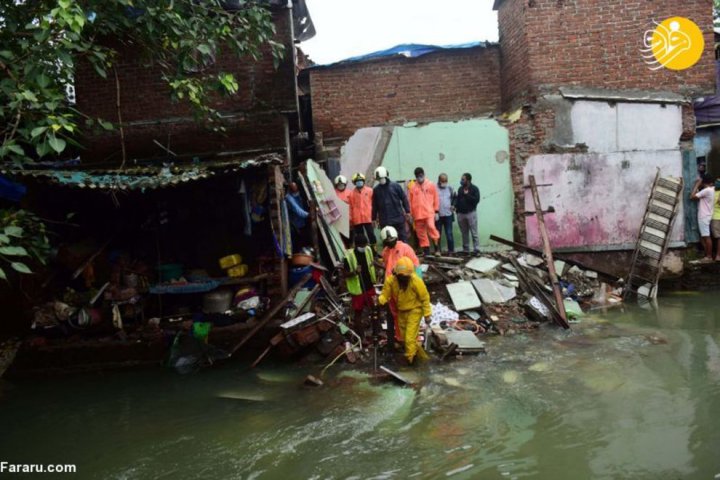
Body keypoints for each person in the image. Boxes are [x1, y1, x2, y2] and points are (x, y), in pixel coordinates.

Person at [377, 256, 431, 365]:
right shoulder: (391, 281)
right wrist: (379, 301)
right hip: (401, 311)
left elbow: (424, 298)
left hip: (415, 310)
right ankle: (421, 358)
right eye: (404, 276)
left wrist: (427, 314)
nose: (406, 278)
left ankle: (410, 362)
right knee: (404, 339)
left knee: (410, 338)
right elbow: (385, 294)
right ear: (397, 274)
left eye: (408, 276)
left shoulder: (416, 281)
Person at [380, 226, 420, 343]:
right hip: (392, 289)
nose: (390, 243)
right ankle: (400, 338)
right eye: (387, 242)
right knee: (396, 315)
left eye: (392, 241)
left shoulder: (405, 248)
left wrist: (416, 284)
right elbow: (386, 268)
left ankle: (412, 340)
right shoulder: (385, 252)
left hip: (406, 287)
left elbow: (416, 266)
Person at [343, 233, 377, 332]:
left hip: (369, 286)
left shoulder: (368, 250)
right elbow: (345, 274)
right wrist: (354, 272)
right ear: (357, 245)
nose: (364, 247)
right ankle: (360, 334)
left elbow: (372, 262)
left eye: (365, 245)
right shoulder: (349, 256)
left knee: (375, 307)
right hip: (358, 290)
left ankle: (376, 329)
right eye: (362, 246)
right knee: (358, 312)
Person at [372, 166, 411, 243]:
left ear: (386, 176)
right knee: (388, 241)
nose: (381, 180)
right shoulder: (376, 190)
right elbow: (375, 205)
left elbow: (404, 198)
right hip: (385, 221)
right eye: (379, 179)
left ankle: (404, 254)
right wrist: (373, 218)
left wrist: (408, 211)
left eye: (382, 178)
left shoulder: (395, 186)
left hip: (398, 219)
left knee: (402, 239)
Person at [408, 167, 441, 255]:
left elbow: (436, 198)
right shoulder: (413, 187)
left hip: (429, 213)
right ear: (415, 176)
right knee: (421, 234)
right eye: (417, 176)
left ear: (423, 174)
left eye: (420, 175)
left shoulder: (431, 185)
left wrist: (436, 211)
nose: (419, 177)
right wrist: (410, 214)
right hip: (417, 215)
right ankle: (427, 253)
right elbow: (409, 202)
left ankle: (437, 249)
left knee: (431, 228)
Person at [690, 174, 715, 262]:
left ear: (703, 182)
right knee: (704, 236)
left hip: (703, 216)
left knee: (706, 236)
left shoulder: (707, 190)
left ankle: (708, 256)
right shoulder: (712, 189)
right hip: (707, 215)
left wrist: (697, 184)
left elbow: (692, 196)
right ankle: (707, 255)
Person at [454, 172, 481, 254]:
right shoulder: (460, 189)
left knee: (474, 232)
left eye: (463, 179)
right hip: (461, 214)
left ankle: (476, 249)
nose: (461, 181)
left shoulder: (475, 189)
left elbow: (476, 200)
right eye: (461, 179)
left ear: (468, 180)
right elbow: (458, 200)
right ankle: (466, 249)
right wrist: (455, 207)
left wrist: (467, 195)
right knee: (464, 233)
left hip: (471, 213)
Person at [348, 172, 376, 245]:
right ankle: (363, 251)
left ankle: (374, 252)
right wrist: (351, 219)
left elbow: (374, 204)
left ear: (363, 181)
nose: (359, 182)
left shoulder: (370, 191)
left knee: (371, 235)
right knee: (360, 237)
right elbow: (350, 207)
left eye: (360, 181)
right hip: (357, 219)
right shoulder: (351, 194)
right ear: (354, 183)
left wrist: (375, 217)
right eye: (357, 181)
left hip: (368, 218)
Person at [285, 182, 310, 249]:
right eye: (293, 189)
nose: (296, 191)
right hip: (294, 225)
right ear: (290, 189)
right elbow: (298, 210)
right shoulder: (289, 198)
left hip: (301, 223)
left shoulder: (298, 195)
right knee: (294, 243)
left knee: (300, 242)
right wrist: (309, 214)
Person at [435, 173, 456, 254]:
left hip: (448, 215)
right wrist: (434, 212)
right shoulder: (434, 188)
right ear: (439, 180)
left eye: (446, 181)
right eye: (443, 181)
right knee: (437, 234)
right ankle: (438, 251)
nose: (444, 182)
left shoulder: (450, 188)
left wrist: (453, 205)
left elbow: (454, 197)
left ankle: (451, 251)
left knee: (449, 234)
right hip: (438, 215)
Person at [713, 178, 720, 261]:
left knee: (718, 237)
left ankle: (718, 255)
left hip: (717, 217)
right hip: (712, 216)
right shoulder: (712, 191)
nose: (717, 183)